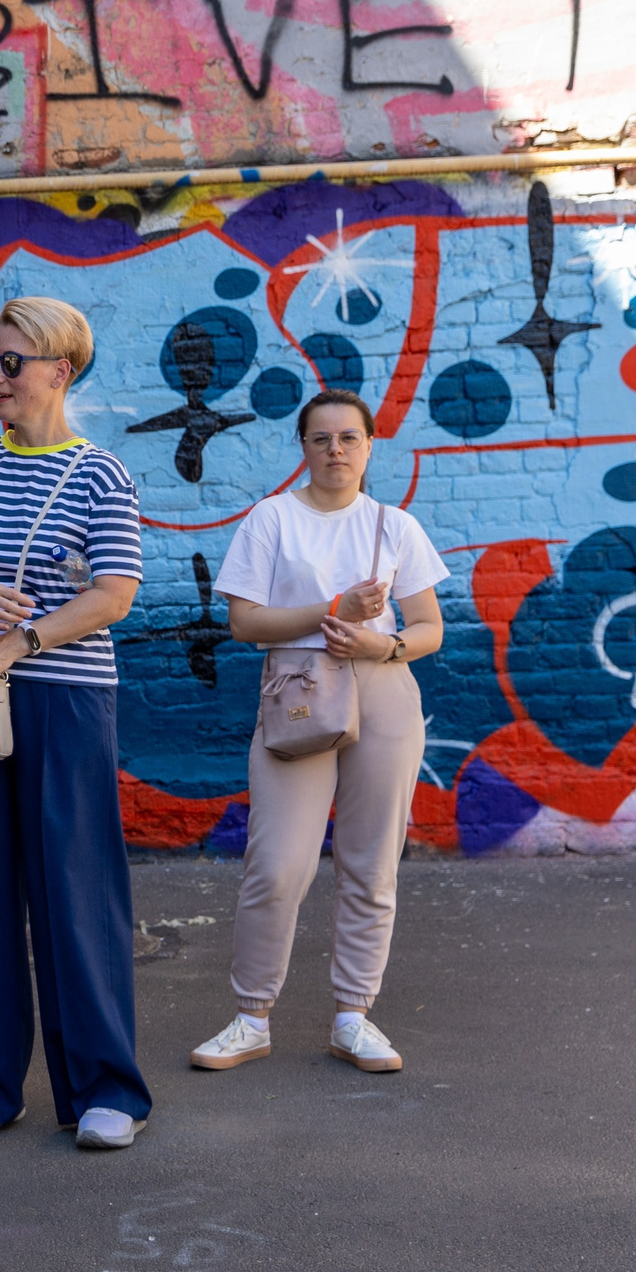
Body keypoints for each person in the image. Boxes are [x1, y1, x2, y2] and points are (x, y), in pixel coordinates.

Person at [0, 296, 151, 1151]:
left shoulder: (99, 474)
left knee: (75, 893)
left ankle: (105, 1089)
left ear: (62, 369)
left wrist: (20, 638)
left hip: (64, 698)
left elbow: (115, 595)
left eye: (13, 362)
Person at [193, 388, 448, 1076]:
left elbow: (428, 627)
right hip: (300, 691)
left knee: (372, 864)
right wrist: (332, 609)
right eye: (321, 438)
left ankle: (353, 1015)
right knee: (277, 865)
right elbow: (245, 622)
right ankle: (250, 1017)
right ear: (303, 447)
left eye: (349, 438)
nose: (336, 449)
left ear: (369, 447)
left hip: (384, 693)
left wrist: (383, 646)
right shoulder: (271, 520)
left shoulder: (394, 525)